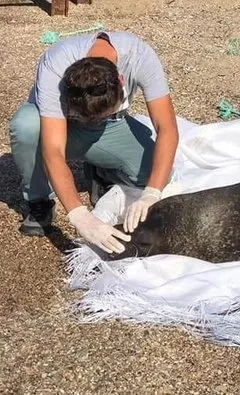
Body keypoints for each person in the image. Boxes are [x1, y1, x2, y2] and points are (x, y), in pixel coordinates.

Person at [8, 31, 179, 254]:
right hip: (61, 126)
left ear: (120, 80)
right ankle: (39, 200)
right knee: (26, 126)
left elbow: (167, 128)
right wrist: (79, 216)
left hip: (109, 127)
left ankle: (101, 170)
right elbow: (54, 149)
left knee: (158, 174)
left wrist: (151, 193)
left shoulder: (140, 56)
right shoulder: (55, 63)